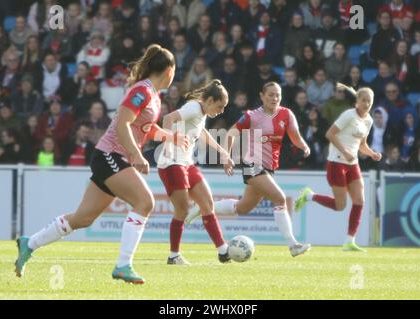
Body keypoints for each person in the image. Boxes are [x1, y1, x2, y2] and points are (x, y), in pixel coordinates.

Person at [15, 44, 188, 284]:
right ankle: (123, 265)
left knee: (83, 218)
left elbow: (144, 128)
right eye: (175, 70)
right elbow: (122, 124)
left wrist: (171, 137)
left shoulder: (154, 96)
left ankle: (29, 243)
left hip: (111, 157)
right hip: (111, 155)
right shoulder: (142, 91)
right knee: (145, 202)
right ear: (169, 70)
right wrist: (135, 155)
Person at [185, 82, 312, 257]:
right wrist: (226, 157)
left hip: (268, 167)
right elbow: (231, 133)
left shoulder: (286, 114)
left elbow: (295, 136)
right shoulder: (252, 116)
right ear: (262, 96)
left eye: (277, 95)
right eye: (270, 95)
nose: (274, 98)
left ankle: (202, 208)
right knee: (280, 199)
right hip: (251, 165)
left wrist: (304, 147)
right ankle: (293, 245)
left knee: (242, 208)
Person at [294, 84, 382, 252]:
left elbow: (362, 144)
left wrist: (372, 154)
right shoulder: (348, 115)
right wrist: (345, 152)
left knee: (359, 201)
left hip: (353, 164)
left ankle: (349, 241)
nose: (366, 104)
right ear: (357, 101)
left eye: (369, 101)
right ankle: (309, 196)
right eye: (363, 100)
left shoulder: (369, 120)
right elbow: (330, 134)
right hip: (336, 163)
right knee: (340, 206)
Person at [157, 79, 233, 265]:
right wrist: (168, 142)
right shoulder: (193, 108)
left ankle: (223, 251)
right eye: (220, 106)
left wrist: (223, 152)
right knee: (182, 210)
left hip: (186, 163)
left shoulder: (202, 112)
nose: (221, 111)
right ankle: (174, 255)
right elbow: (168, 119)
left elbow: (201, 132)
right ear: (209, 101)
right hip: (172, 163)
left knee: (207, 203)